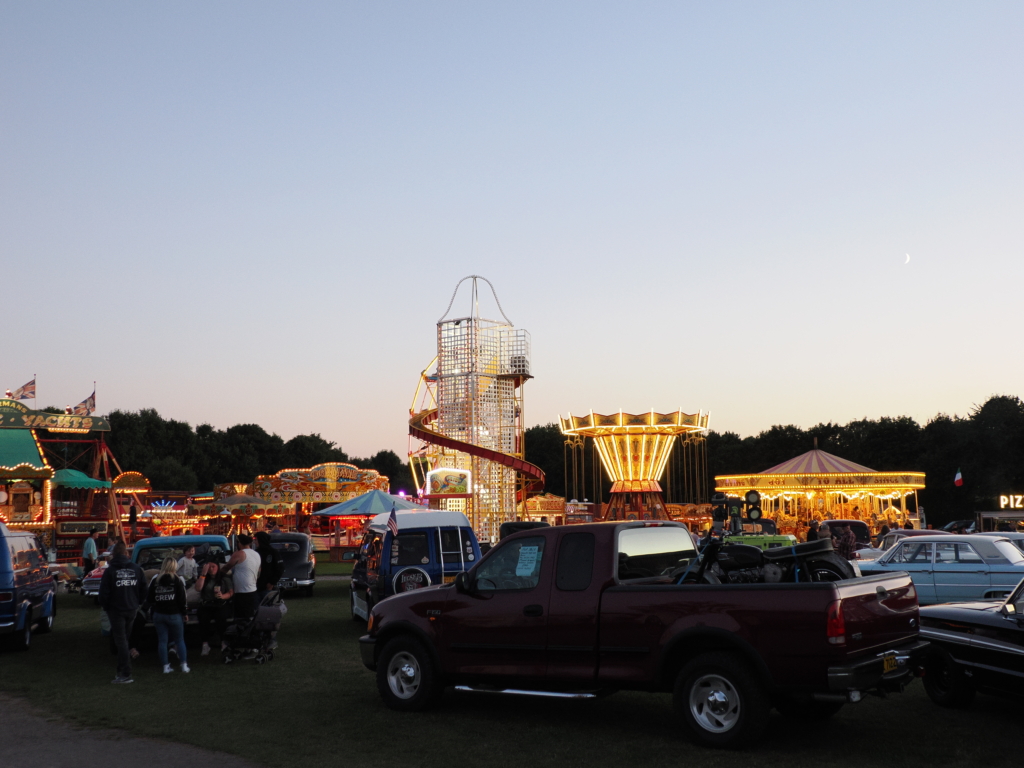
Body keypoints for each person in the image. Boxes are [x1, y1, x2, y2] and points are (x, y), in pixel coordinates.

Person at [98, 540, 147, 684]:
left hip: (116, 609)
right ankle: (121, 670)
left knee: (121, 641)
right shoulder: (136, 569)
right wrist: (138, 602)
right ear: (126, 553)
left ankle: (125, 673)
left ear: (113, 555)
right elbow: (144, 589)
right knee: (124, 639)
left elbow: (103, 593)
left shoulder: (110, 571)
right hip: (131, 608)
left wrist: (106, 606)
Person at [147, 557, 190, 674]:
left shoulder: (155, 579)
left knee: (162, 641)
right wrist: (185, 613)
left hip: (159, 614)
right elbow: (182, 599)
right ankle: (184, 666)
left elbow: (149, 598)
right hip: (174, 614)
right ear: (174, 567)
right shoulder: (178, 579)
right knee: (179, 640)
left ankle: (166, 667)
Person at [196, 559, 234, 656]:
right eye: (209, 567)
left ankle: (223, 642)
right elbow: (198, 588)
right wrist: (203, 574)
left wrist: (223, 596)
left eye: (213, 566)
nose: (211, 569)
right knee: (203, 620)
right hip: (206, 604)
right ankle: (205, 644)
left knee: (221, 619)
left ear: (218, 567)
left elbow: (231, 592)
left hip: (220, 603)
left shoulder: (224, 578)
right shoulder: (204, 577)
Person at [222, 534, 260, 620]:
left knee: (240, 618)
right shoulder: (256, 554)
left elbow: (226, 567)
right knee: (250, 617)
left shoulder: (239, 554)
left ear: (239, 543)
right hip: (253, 590)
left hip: (242, 592)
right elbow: (259, 571)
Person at [254, 531, 284, 600]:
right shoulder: (256, 552)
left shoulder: (273, 552)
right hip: (256, 587)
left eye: (256, 540)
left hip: (268, 587)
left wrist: (272, 582)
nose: (255, 542)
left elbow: (280, 568)